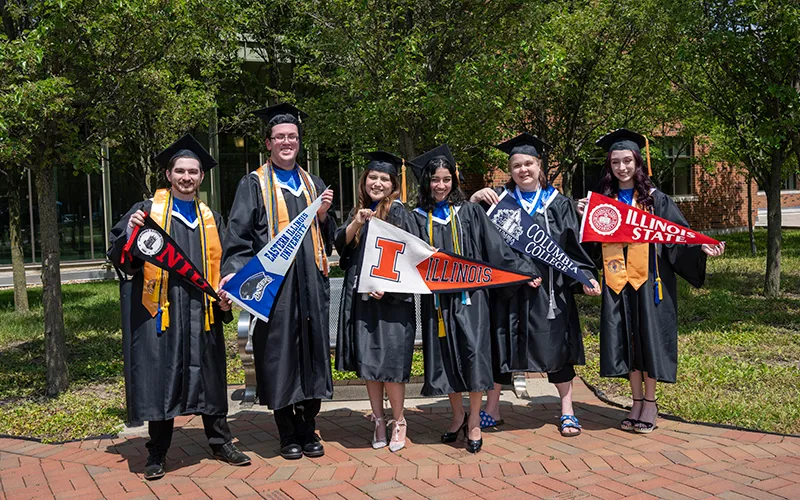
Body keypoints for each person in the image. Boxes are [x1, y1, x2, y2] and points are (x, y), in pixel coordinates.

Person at [108, 133, 250, 481]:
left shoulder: (211, 217)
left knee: (211, 375)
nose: (187, 177)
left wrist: (227, 285)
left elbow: (229, 262)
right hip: (162, 311)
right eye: (180, 171)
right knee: (162, 376)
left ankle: (220, 440)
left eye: (194, 172)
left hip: (202, 313)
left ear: (202, 177)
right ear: (169, 175)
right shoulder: (147, 212)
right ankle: (157, 451)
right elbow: (122, 255)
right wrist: (130, 232)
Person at [576, 129, 726, 433]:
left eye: (627, 161)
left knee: (649, 340)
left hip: (650, 282)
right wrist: (582, 215)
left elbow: (677, 235)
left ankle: (651, 403)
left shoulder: (657, 200)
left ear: (637, 162)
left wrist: (700, 245)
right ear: (610, 166)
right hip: (618, 282)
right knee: (629, 341)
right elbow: (589, 245)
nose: (622, 167)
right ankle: (635, 401)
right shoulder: (604, 202)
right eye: (615, 162)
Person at [218, 103, 336, 460]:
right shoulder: (253, 183)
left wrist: (326, 215)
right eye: (280, 137)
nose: (287, 142)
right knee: (280, 355)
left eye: (293, 137)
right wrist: (234, 272)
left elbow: (324, 237)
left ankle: (308, 426)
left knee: (312, 353)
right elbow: (239, 236)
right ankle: (287, 432)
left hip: (311, 284)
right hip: (275, 287)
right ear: (268, 143)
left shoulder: (312, 183)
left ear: (299, 142)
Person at [408, 145, 540, 454]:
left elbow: (496, 248)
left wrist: (522, 270)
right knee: (445, 358)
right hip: (437, 303)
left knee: (475, 355)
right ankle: (457, 416)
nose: (441, 186)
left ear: (454, 180)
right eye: (435, 180)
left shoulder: (468, 212)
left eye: (446, 179)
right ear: (426, 182)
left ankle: (475, 423)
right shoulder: (416, 218)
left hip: (472, 299)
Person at [471, 133, 601, 437]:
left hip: (549, 290)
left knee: (556, 346)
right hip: (510, 289)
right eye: (516, 165)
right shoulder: (499, 202)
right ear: (510, 169)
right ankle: (492, 408)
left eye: (528, 163)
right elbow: (479, 238)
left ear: (539, 165)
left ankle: (567, 409)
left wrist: (585, 276)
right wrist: (475, 200)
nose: (523, 170)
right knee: (502, 344)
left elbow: (572, 246)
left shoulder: (558, 204)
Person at [335, 151, 415, 452]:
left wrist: (388, 287)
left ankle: (399, 421)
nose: (377, 183)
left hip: (392, 301)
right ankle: (379, 420)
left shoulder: (398, 212)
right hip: (363, 297)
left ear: (393, 183)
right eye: (373, 177)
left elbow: (410, 258)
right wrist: (355, 222)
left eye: (384, 179)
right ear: (364, 180)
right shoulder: (359, 210)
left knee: (391, 364)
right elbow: (341, 248)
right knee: (370, 363)